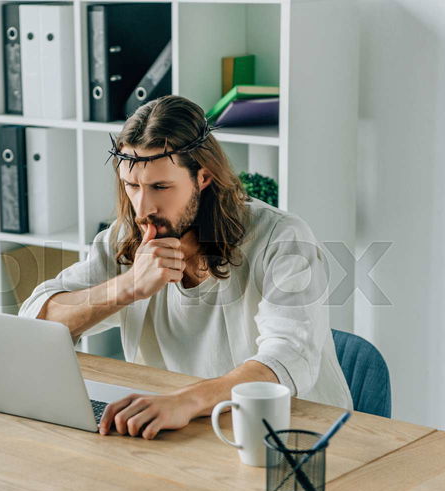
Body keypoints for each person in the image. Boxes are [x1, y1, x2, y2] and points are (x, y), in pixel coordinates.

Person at [18, 95, 352, 440]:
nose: (142, 207)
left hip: (295, 437)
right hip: (185, 433)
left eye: (160, 187)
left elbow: (288, 357)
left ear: (203, 178)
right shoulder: (121, 239)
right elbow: (34, 323)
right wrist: (127, 287)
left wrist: (185, 402)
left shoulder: (282, 237)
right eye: (132, 186)